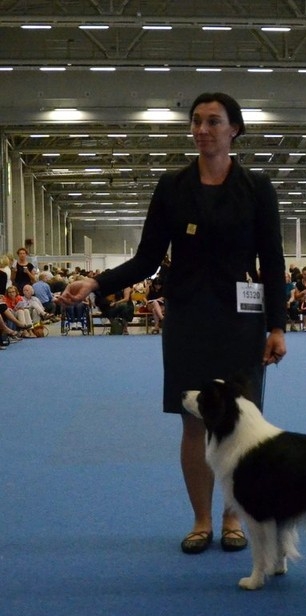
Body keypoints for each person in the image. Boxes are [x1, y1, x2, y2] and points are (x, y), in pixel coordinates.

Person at [60, 91, 286, 555]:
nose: (202, 129)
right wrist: (96, 282)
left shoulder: (257, 187)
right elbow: (147, 258)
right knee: (193, 422)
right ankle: (202, 519)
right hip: (188, 318)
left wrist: (278, 326)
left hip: (241, 320)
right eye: (197, 121)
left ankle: (234, 518)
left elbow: (273, 260)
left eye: (213, 121)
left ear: (234, 129)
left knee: (242, 423)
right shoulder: (172, 187)